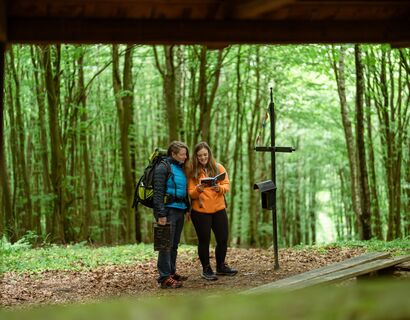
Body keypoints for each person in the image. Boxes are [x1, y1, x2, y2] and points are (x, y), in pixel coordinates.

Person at [188, 142, 237, 281]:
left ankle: (221, 266)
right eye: (199, 156)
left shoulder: (218, 167)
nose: (203, 157)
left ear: (209, 154)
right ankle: (206, 269)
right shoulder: (193, 171)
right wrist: (198, 189)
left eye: (205, 154)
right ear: (196, 157)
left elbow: (226, 184)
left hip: (219, 209)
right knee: (204, 241)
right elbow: (191, 193)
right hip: (201, 212)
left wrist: (219, 188)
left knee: (222, 239)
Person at [153, 141, 190, 289]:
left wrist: (187, 208)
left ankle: (171, 272)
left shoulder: (180, 168)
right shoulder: (163, 167)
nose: (185, 157)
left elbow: (183, 190)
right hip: (167, 211)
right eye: (182, 154)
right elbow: (158, 193)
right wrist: (160, 214)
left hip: (179, 210)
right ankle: (164, 278)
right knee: (165, 245)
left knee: (174, 245)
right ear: (173, 154)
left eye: (186, 154)